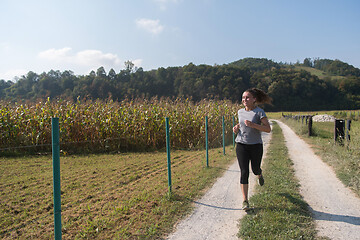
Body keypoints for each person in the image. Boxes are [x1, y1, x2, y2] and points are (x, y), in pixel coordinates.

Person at [232, 88, 272, 210]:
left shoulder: (259, 112)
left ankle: (259, 174)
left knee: (255, 169)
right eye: (243, 98)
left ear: (254, 99)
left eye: (247, 97)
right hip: (241, 145)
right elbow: (241, 125)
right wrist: (236, 128)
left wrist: (253, 125)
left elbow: (268, 129)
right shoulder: (239, 112)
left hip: (255, 145)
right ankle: (245, 200)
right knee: (244, 172)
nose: (244, 100)